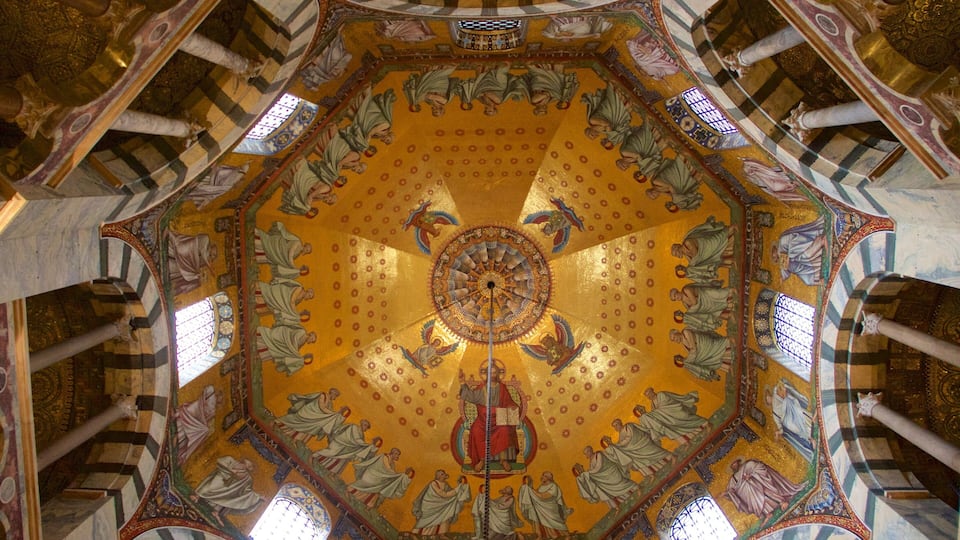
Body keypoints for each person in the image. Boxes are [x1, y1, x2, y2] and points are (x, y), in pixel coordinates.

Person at [459, 360, 520, 472]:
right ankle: (482, 460)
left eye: (494, 373)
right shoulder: (481, 388)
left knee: (504, 430)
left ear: (497, 374)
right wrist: (463, 382)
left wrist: (511, 406)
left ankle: (503, 459)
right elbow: (470, 396)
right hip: (483, 420)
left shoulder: (502, 388)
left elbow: (508, 402)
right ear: (486, 374)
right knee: (476, 431)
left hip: (499, 419)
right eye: (490, 373)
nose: (492, 375)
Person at [721, 458, 806, 518]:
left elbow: (760, 467)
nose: (734, 466)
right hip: (750, 496)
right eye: (732, 465)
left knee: (760, 489)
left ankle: (781, 502)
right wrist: (726, 493)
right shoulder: (733, 478)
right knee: (752, 494)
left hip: (759, 484)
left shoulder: (748, 464)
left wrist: (751, 476)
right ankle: (767, 513)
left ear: (738, 462)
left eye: (734, 463)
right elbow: (731, 489)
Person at [192, 456, 263, 519]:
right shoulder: (230, 460)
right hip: (222, 476)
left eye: (246, 467)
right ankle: (197, 496)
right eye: (243, 464)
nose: (243, 467)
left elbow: (247, 491)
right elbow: (220, 461)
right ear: (242, 461)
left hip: (229, 490)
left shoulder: (247, 478)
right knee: (212, 486)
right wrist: (230, 470)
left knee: (229, 498)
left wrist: (257, 497)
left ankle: (216, 512)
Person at [634, 388, 709, 444]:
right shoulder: (652, 404)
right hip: (669, 417)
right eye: (648, 396)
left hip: (675, 411)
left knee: (684, 416)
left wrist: (650, 413)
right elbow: (656, 415)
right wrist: (645, 413)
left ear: (652, 391)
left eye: (649, 394)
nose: (649, 396)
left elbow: (665, 406)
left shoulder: (661, 394)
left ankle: (707, 424)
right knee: (672, 425)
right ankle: (696, 433)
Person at [347, 447, 414, 508]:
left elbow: (392, 474)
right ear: (392, 453)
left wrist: (402, 475)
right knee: (371, 485)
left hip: (378, 478)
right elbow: (388, 470)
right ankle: (349, 491)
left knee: (381, 488)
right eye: (397, 454)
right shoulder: (384, 457)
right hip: (371, 475)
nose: (397, 456)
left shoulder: (392, 463)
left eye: (398, 455)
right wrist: (401, 474)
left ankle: (367, 504)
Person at [274, 389, 348, 444]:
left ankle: (297, 441)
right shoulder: (323, 395)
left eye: (336, 396)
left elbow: (329, 415)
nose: (335, 397)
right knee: (295, 419)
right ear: (332, 393)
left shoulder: (330, 403)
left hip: (315, 417)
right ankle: (277, 422)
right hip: (308, 412)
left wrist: (338, 413)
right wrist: (335, 413)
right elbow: (322, 407)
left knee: (316, 427)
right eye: (335, 395)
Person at [411, 470, 471, 537]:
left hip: (441, 505)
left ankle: (442, 534)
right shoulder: (433, 483)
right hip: (430, 505)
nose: (444, 475)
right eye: (442, 474)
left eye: (444, 474)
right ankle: (415, 534)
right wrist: (457, 489)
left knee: (446, 515)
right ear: (438, 476)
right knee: (427, 520)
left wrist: (459, 486)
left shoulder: (445, 484)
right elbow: (443, 494)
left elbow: (451, 493)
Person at [601, 419, 672, 476]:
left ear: (620, 423)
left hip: (643, 443)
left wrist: (617, 445)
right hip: (636, 449)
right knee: (638, 462)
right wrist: (613, 445)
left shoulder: (628, 426)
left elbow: (628, 438)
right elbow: (621, 444)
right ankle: (652, 474)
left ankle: (672, 457)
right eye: (614, 427)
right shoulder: (621, 434)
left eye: (616, 425)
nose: (616, 428)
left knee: (656, 452)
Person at [765, 381, 815, 462]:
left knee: (801, 414)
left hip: (791, 408)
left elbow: (781, 386)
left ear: (769, 394)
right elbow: (780, 426)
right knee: (797, 429)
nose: (769, 399)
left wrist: (783, 390)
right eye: (767, 400)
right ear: (768, 403)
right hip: (787, 420)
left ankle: (813, 424)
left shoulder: (775, 392)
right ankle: (810, 436)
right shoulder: (774, 413)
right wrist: (778, 433)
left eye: (768, 396)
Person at [174, 385, 222, 464]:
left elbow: (207, 418)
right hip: (196, 409)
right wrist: (203, 405)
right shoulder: (211, 391)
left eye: (221, 399)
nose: (220, 398)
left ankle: (183, 448)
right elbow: (204, 393)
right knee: (203, 429)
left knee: (204, 430)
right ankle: (179, 434)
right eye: (220, 395)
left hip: (198, 419)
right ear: (218, 393)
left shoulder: (214, 410)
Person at [312, 419, 381, 475]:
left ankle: (332, 474)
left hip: (346, 447)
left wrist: (370, 446)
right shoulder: (354, 427)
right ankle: (313, 455)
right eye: (365, 425)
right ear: (362, 424)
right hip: (339, 442)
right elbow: (357, 440)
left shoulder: (361, 434)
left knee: (343, 460)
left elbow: (359, 445)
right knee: (331, 452)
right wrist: (368, 445)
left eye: (367, 427)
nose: (366, 428)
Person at [772, 216, 826, 286]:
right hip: (799, 258)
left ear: (775, 248)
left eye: (774, 254)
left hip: (801, 243)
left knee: (805, 256)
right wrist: (783, 277)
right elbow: (784, 269)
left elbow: (792, 239)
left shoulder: (782, 241)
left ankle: (821, 242)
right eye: (774, 257)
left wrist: (791, 255)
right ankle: (820, 281)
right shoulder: (782, 261)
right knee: (807, 280)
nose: (775, 256)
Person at [518, 472, 573, 538]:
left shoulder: (553, 486)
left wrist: (531, 490)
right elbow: (536, 496)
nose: (542, 477)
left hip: (550, 508)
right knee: (542, 521)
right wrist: (529, 488)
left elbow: (544, 496)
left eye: (544, 476)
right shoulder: (542, 486)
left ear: (548, 478)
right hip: (541, 507)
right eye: (542, 475)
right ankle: (549, 536)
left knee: (555, 522)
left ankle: (567, 535)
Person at [166, 231, 217, 295]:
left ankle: (174, 287)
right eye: (214, 254)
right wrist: (209, 266)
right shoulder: (206, 239)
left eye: (214, 256)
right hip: (185, 247)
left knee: (193, 278)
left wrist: (200, 274)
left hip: (187, 258)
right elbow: (203, 251)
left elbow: (196, 264)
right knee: (192, 274)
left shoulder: (204, 260)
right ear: (212, 246)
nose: (212, 256)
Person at [740, 158, 807, 204]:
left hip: (777, 184)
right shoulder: (782, 180)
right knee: (765, 176)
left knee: (765, 176)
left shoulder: (782, 179)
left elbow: (779, 194)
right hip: (777, 185)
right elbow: (779, 194)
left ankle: (753, 171)